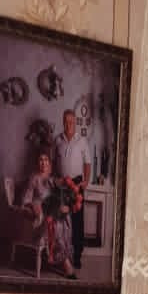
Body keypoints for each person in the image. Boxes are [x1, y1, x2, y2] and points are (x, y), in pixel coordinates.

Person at [53, 109, 90, 272]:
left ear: (75, 123)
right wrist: (54, 180)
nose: (69, 124)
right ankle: (63, 256)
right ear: (63, 122)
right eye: (66, 121)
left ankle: (77, 257)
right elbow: (53, 162)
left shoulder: (82, 141)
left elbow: (87, 163)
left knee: (77, 221)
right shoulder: (57, 140)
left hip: (76, 184)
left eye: (71, 122)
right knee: (61, 221)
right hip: (61, 184)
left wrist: (86, 181)